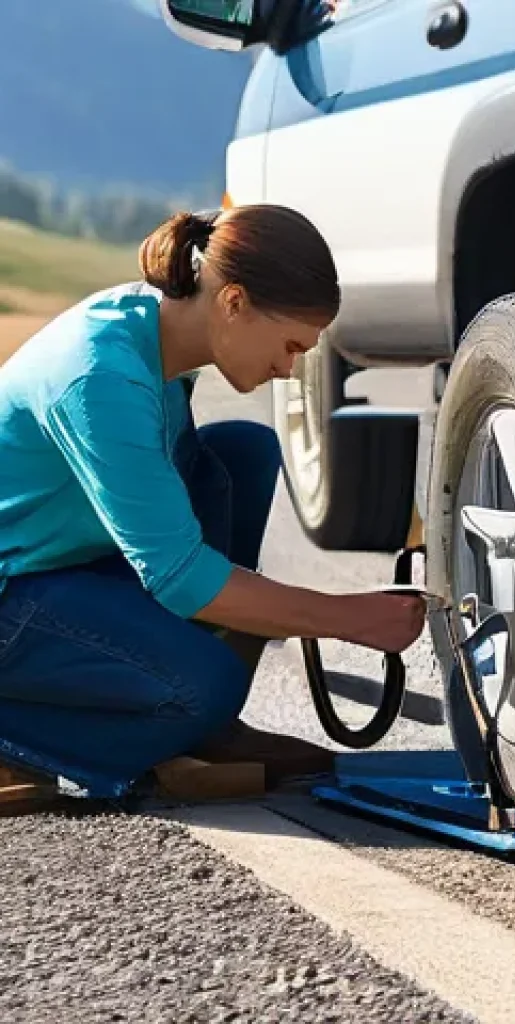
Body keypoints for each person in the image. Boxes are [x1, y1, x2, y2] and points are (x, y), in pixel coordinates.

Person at [0, 204, 427, 806]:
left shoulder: (158, 332)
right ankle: (32, 741)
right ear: (233, 303)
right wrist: (348, 618)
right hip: (11, 589)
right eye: (289, 344)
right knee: (204, 688)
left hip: (62, 559)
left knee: (240, 453)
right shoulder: (103, 378)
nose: (289, 368)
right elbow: (178, 577)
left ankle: (201, 730)